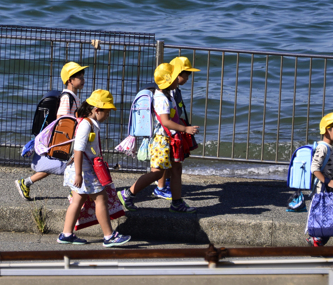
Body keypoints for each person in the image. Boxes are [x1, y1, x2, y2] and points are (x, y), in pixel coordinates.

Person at [117, 62, 200, 213]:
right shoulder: (162, 98)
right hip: (162, 140)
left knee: (176, 170)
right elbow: (166, 121)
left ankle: (176, 202)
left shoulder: (168, 95)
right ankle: (127, 193)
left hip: (170, 139)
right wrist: (185, 129)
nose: (178, 80)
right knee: (158, 173)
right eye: (175, 78)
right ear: (169, 81)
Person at [57, 90, 131, 247]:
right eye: (107, 112)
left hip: (82, 170)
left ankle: (66, 234)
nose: (108, 116)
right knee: (101, 198)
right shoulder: (86, 125)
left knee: (77, 200)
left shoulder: (87, 123)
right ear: (97, 110)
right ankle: (109, 236)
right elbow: (78, 149)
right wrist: (78, 174)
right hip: (84, 171)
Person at [17, 61, 87, 200]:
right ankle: (74, 193)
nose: (83, 80)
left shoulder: (73, 97)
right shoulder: (67, 98)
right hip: (66, 139)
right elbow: (61, 118)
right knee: (71, 164)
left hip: (69, 138)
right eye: (80, 77)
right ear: (70, 80)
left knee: (61, 166)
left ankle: (26, 183)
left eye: (83, 77)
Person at [152, 55, 200, 199]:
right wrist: (184, 129)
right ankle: (158, 188)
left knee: (171, 164)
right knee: (162, 166)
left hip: (171, 132)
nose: (187, 78)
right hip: (165, 134)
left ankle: (167, 187)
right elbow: (165, 119)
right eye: (187, 74)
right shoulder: (166, 94)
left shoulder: (172, 91)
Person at [306, 111, 333, 247]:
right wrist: (328, 181)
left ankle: (317, 239)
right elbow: (315, 168)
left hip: (328, 188)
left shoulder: (329, 148)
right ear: (327, 131)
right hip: (322, 189)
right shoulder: (322, 148)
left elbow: (325, 164)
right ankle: (316, 239)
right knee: (324, 215)